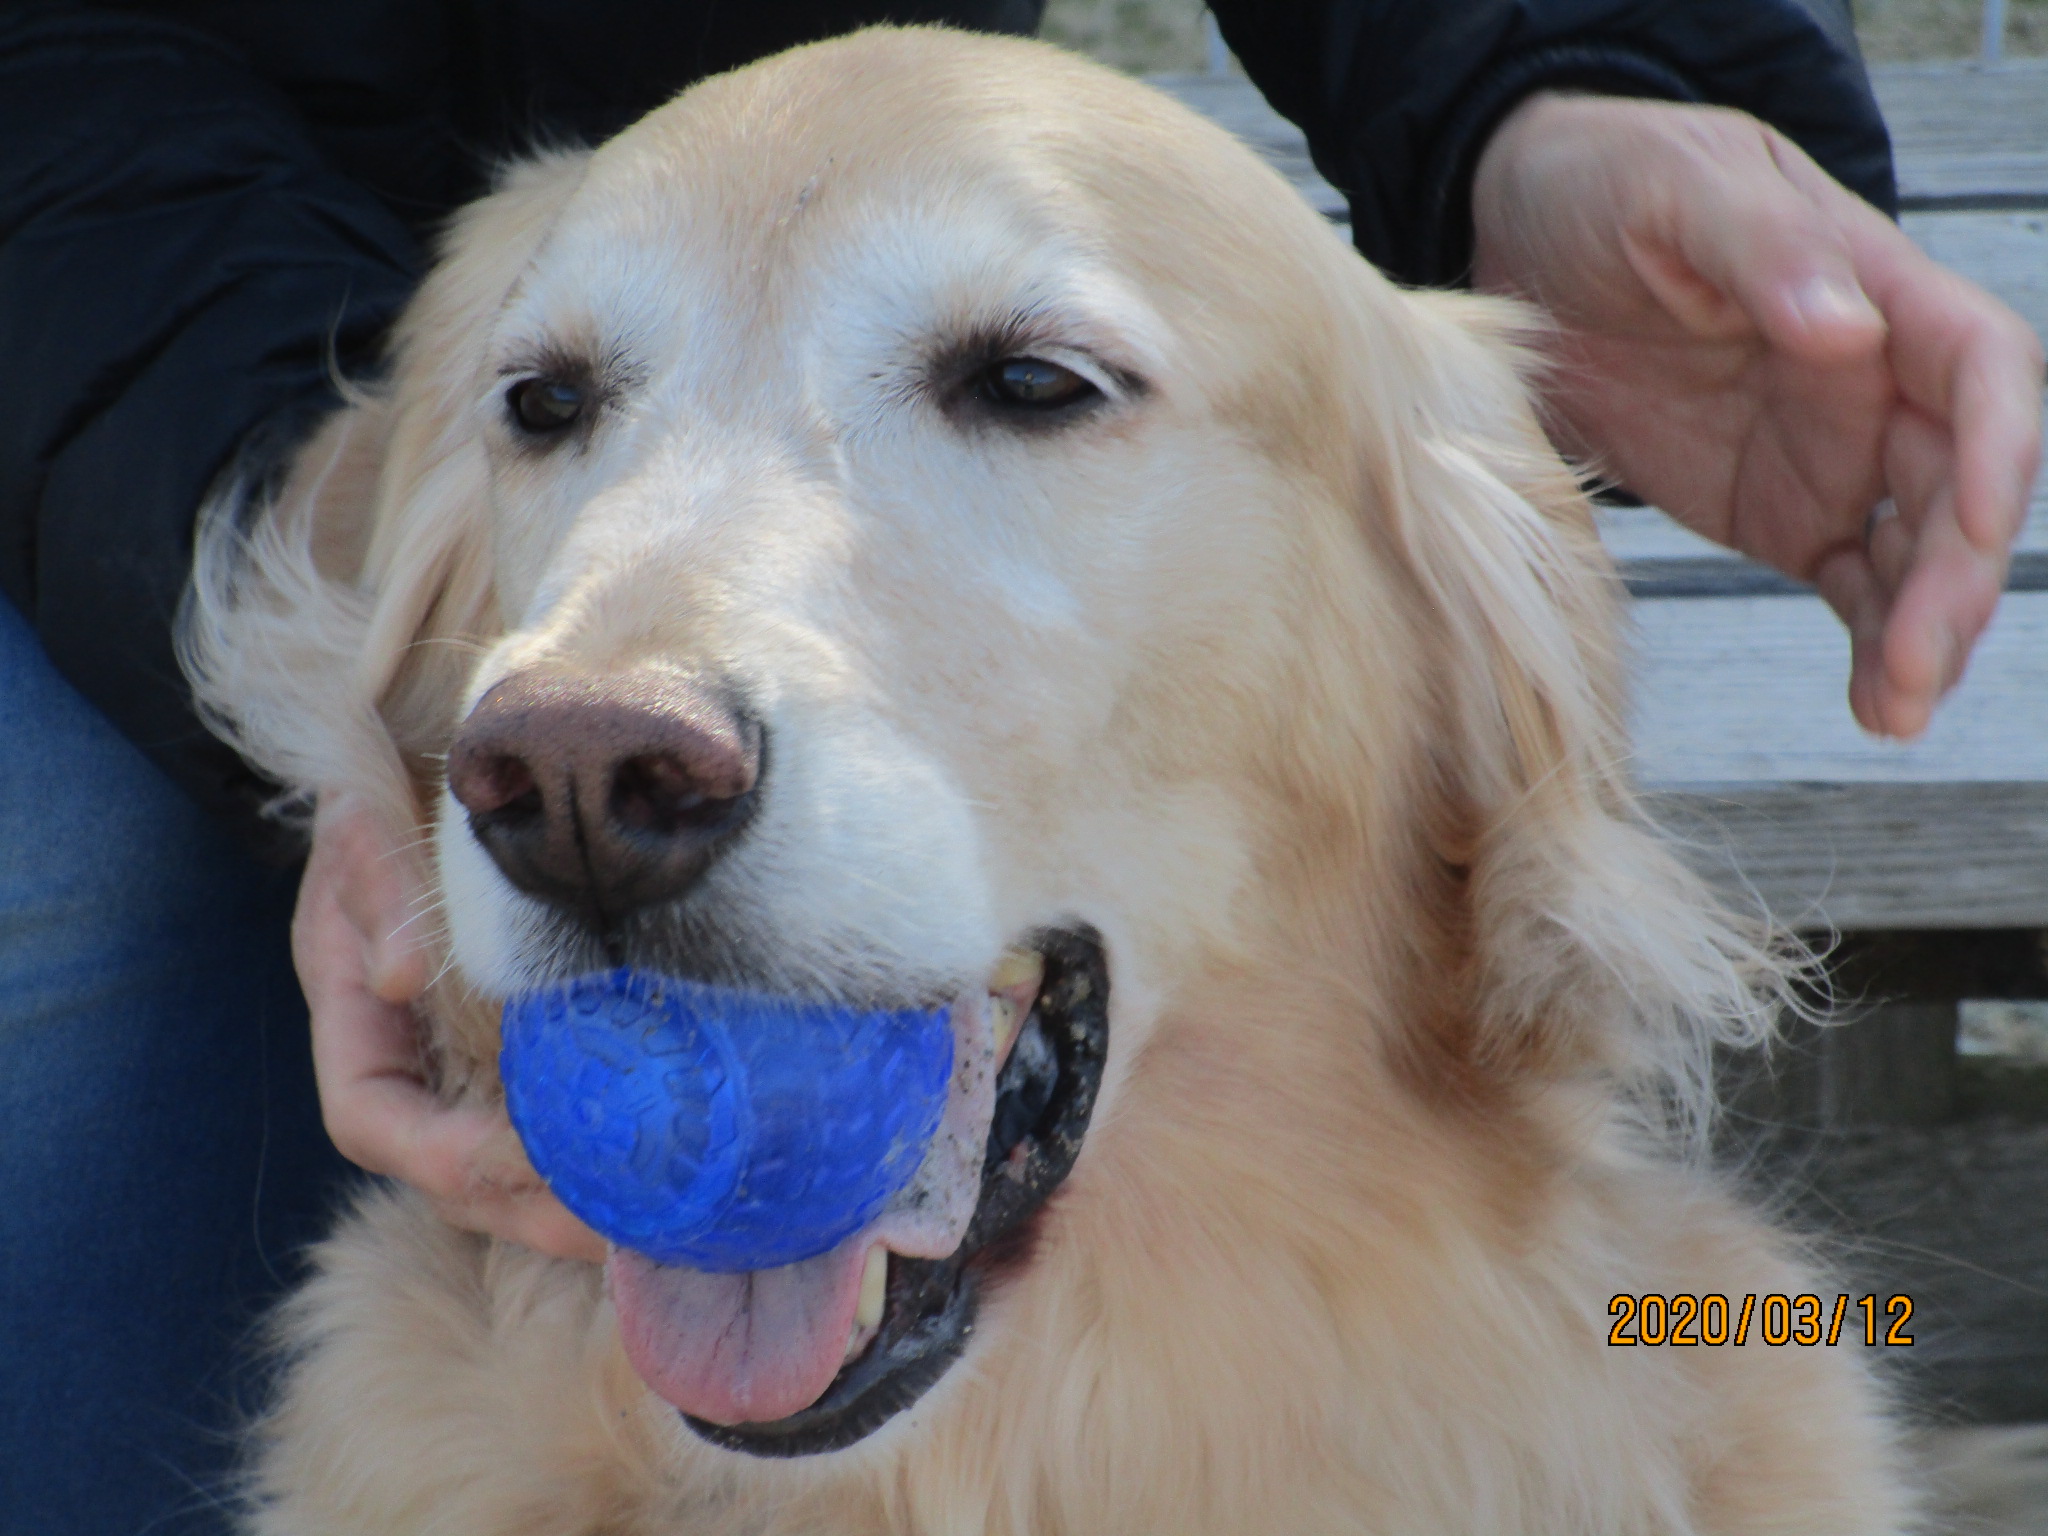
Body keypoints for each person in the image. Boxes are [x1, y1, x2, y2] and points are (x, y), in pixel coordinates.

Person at [0, 1, 2038, 1528]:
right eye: (555, 405)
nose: (590, 724)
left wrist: (1578, 67)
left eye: (1026, 385)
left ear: (1478, 654)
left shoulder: (1737, 1392)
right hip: (130, 300)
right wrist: (359, 739)